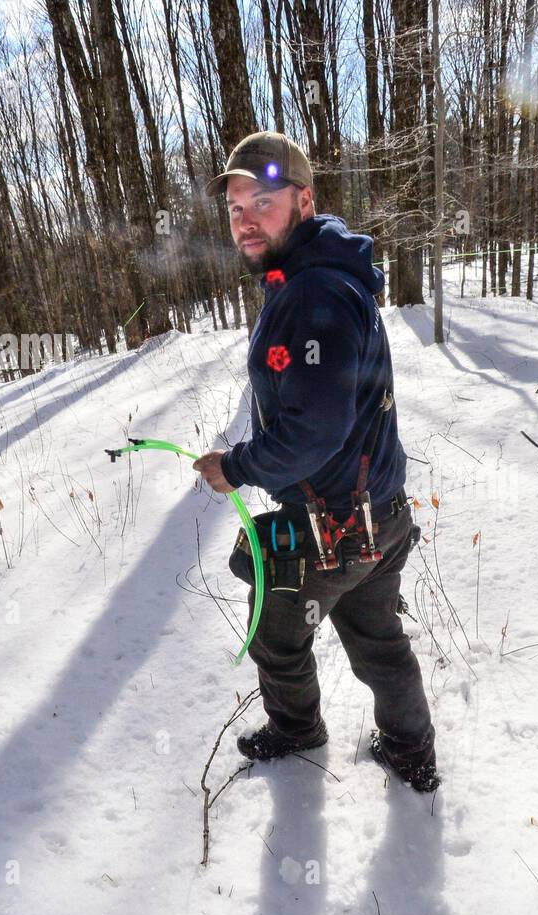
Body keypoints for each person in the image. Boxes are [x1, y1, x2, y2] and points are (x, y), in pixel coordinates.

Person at [192, 132, 439, 793]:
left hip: (334, 532)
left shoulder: (314, 295)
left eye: (262, 202)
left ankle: (298, 733)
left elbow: (316, 431)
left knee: (276, 637)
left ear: (304, 201)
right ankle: (413, 754)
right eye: (236, 208)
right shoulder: (313, 279)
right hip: (379, 518)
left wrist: (236, 465)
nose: (245, 220)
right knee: (379, 640)